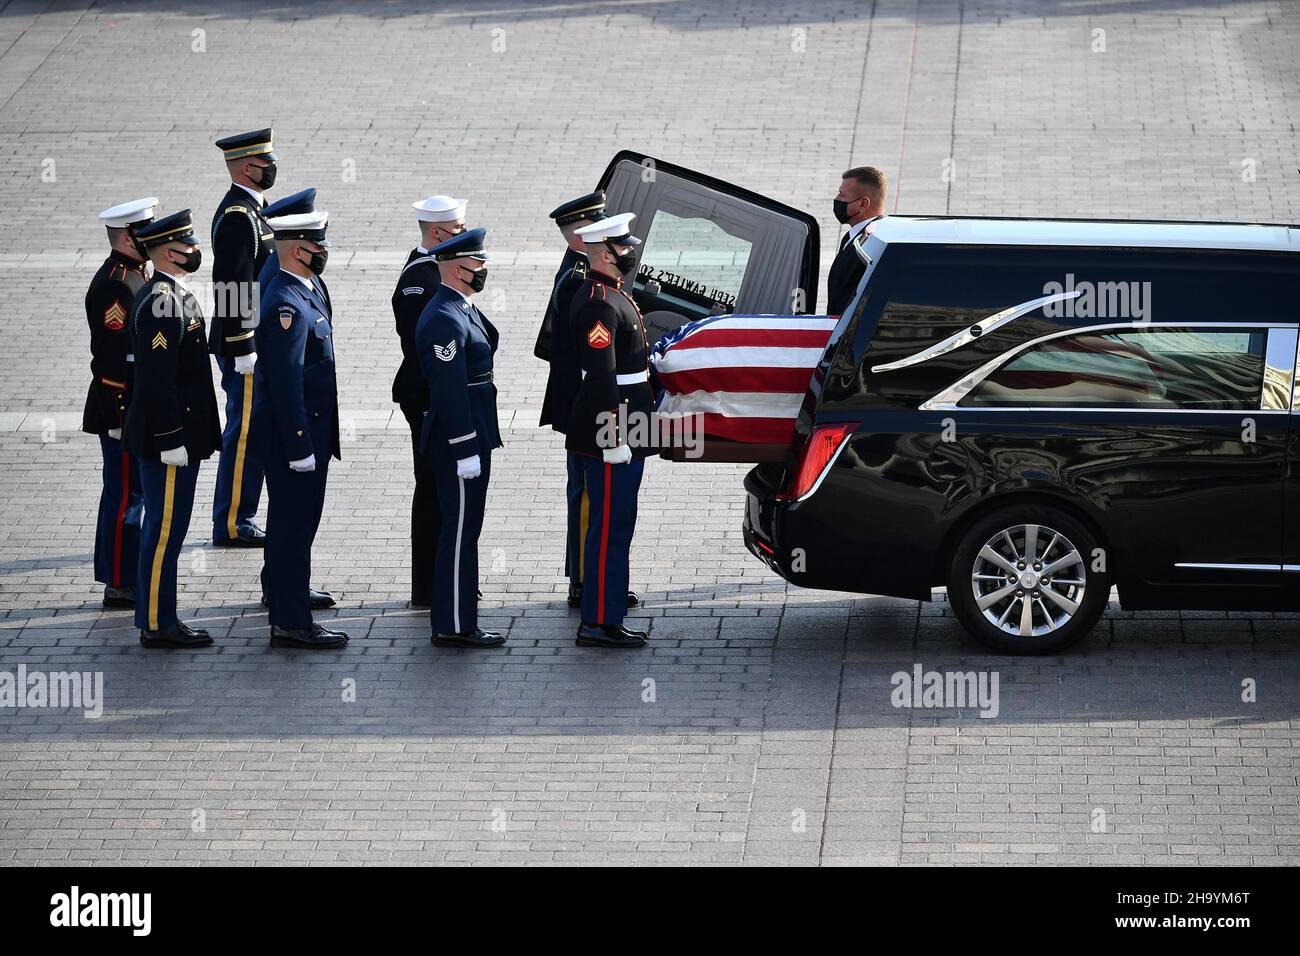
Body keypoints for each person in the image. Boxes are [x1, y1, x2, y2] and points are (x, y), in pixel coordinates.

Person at [536, 192, 640, 614]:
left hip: (581, 397)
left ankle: (592, 577)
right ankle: (585, 579)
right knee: (587, 496)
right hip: (585, 399)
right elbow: (592, 360)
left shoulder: (578, 270)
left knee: (586, 492)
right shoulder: (583, 278)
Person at [123, 210, 222, 648]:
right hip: (169, 441)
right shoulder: (162, 301)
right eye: (187, 244)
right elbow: (157, 378)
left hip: (179, 436)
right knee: (164, 532)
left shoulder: (171, 293)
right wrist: (169, 440)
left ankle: (158, 617)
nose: (195, 250)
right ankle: (159, 623)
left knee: (169, 529)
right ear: (168, 251)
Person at [251, 209, 348, 649]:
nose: (324, 251)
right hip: (297, 435)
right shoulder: (285, 303)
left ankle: (287, 594)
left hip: (312, 430)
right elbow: (286, 380)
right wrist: (298, 444)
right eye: (317, 245)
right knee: (293, 525)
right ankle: (291, 621)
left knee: (296, 523)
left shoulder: (309, 286)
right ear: (294, 249)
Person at [566, 213, 657, 649]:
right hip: (612, 431)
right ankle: (598, 622)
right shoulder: (600, 302)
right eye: (624, 248)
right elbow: (600, 378)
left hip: (625, 425)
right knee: (608, 526)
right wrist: (614, 438)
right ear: (605, 254)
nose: (630, 253)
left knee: (618, 521)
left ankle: (608, 608)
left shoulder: (611, 294)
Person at [415, 227, 504, 648]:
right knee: (460, 529)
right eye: (478, 263)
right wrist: (465, 448)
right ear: (456, 267)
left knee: (467, 529)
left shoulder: (459, 307)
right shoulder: (442, 319)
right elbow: (449, 391)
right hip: (459, 441)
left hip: (474, 433)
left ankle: (459, 617)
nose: (484, 269)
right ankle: (452, 624)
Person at [393, 195, 467, 607]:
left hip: (433, 396)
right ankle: (429, 585)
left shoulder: (432, 268)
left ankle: (441, 578)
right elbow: (423, 347)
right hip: (427, 398)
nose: (464, 234)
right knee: (434, 490)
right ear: (437, 233)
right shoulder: (421, 279)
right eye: (458, 229)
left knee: (441, 489)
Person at [84, 197, 157, 609]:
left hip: (128, 405)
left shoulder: (133, 274)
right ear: (128, 237)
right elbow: (113, 356)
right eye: (144, 231)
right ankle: (118, 581)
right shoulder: (116, 282)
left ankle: (124, 573)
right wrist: (120, 413)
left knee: (132, 492)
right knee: (126, 494)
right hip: (120, 407)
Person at [210, 127, 278, 547]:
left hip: (255, 340)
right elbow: (231, 283)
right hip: (244, 346)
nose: (272, 168)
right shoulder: (238, 216)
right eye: (265, 163)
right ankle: (233, 522)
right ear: (245, 167)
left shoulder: (256, 209)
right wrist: (243, 347)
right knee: (245, 432)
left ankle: (242, 513)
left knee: (253, 429)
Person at [826, 166, 887, 316]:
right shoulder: (852, 236)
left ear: (862, 204)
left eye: (842, 195)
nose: (836, 199)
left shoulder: (871, 245)